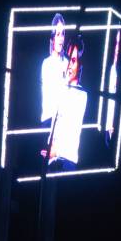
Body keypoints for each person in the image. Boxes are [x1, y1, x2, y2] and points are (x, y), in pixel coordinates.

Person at [44, 35, 89, 171]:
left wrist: (55, 152)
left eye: (73, 60)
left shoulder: (80, 94)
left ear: (79, 64)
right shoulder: (59, 87)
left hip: (66, 162)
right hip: (52, 159)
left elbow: (71, 132)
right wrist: (49, 148)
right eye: (68, 59)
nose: (69, 65)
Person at [40, 13, 67, 123]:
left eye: (63, 34)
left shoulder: (67, 63)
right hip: (49, 120)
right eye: (58, 34)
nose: (60, 38)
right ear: (52, 37)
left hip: (64, 121)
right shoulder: (47, 64)